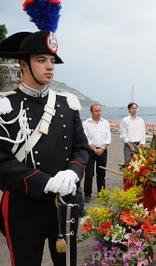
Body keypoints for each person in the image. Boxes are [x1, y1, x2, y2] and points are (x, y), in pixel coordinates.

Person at [0, 31, 88, 265]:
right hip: (23, 204)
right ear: (23, 64)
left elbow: (81, 149)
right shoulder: (5, 107)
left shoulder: (67, 104)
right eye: (41, 60)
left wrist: (73, 172)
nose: (50, 66)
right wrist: (44, 182)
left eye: (52, 61)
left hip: (64, 203)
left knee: (67, 261)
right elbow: (1, 160)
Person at [82, 103, 111, 202]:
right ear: (91, 112)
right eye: (96, 111)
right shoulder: (86, 123)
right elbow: (85, 139)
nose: (99, 113)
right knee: (89, 173)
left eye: (100, 111)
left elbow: (108, 138)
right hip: (90, 151)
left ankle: (101, 194)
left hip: (103, 150)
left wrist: (102, 148)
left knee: (101, 173)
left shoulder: (105, 123)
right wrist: (94, 149)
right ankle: (87, 194)